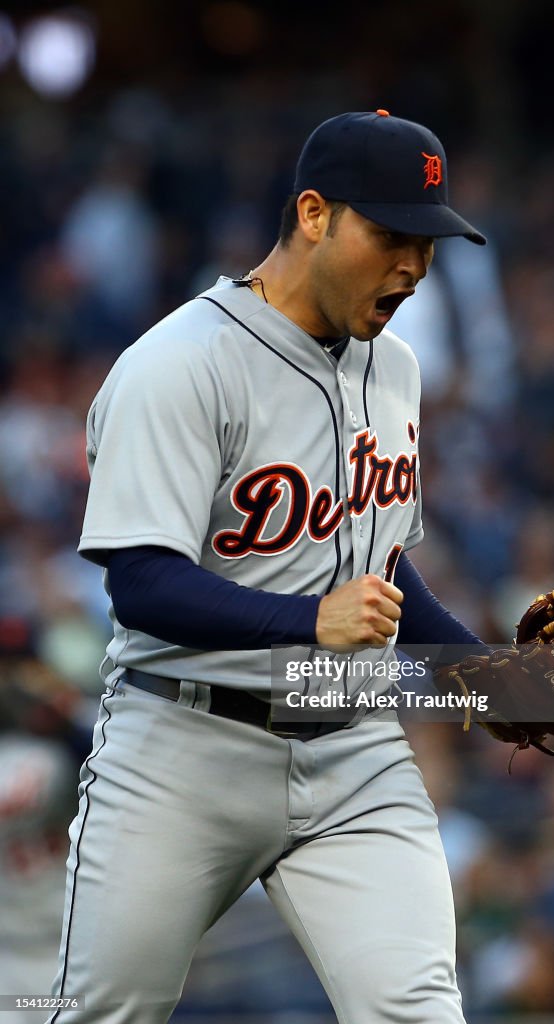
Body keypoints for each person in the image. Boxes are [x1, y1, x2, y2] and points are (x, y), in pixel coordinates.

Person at [48, 109, 488, 1024]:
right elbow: (140, 580)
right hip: (182, 752)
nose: (412, 266)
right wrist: (307, 621)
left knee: (418, 1011)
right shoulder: (176, 364)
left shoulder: (394, 367)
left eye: (429, 243)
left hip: (352, 747)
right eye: (392, 236)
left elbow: (379, 569)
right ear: (315, 214)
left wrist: (489, 681)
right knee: (101, 1013)